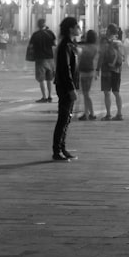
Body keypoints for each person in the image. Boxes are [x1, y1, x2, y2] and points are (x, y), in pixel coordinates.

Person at [52, 17, 80, 161]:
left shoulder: (69, 44)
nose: (79, 29)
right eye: (77, 27)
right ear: (71, 29)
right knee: (63, 118)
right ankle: (57, 150)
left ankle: (62, 147)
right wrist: (71, 88)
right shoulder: (65, 45)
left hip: (68, 85)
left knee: (66, 118)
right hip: (65, 86)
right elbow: (65, 68)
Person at [98, 24, 125, 120]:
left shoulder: (104, 41)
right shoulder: (119, 42)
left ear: (108, 31)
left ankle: (108, 114)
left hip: (106, 69)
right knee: (116, 92)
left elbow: (101, 55)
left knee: (107, 93)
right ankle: (119, 114)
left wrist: (97, 69)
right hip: (117, 70)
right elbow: (122, 57)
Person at [28, 18, 56, 103]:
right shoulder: (50, 33)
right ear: (45, 24)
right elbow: (55, 44)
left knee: (42, 79)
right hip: (50, 59)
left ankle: (44, 97)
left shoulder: (35, 35)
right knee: (49, 79)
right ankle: (50, 96)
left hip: (40, 59)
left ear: (38, 25)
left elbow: (31, 46)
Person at [76, 30, 99, 121]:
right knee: (86, 93)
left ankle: (91, 113)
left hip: (84, 70)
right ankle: (86, 113)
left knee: (86, 93)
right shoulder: (95, 47)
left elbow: (79, 56)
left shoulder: (84, 47)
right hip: (90, 70)